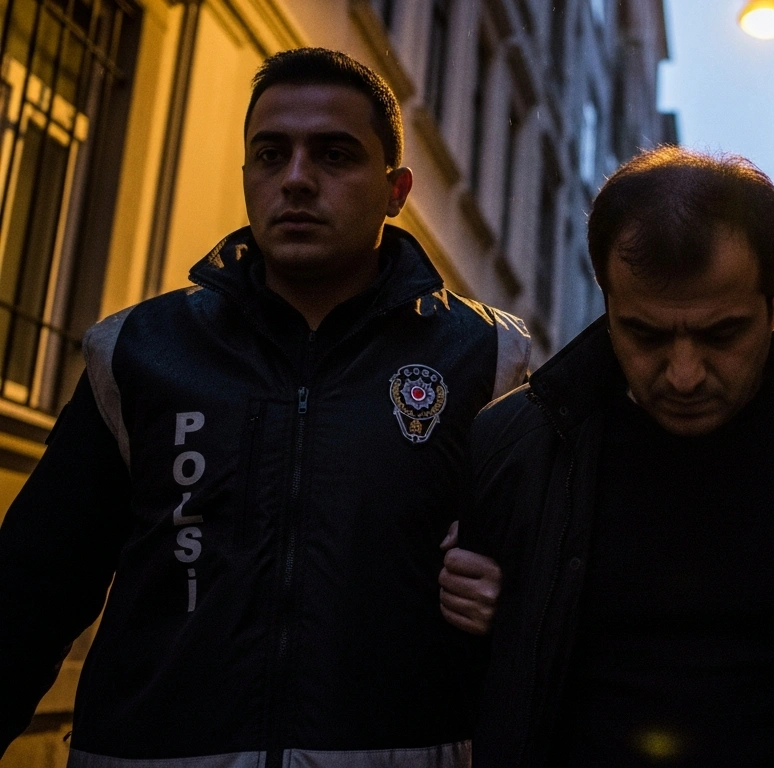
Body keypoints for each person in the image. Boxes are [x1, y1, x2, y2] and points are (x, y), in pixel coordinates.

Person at [0, 48, 530, 766]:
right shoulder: (139, 353)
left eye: (335, 155)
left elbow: (548, 584)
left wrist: (512, 596)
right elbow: (33, 590)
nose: (297, 179)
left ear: (396, 188)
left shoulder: (484, 362)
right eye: (270, 154)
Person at [450, 146, 774, 767]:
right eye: (646, 334)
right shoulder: (514, 447)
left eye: (721, 333)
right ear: (607, 299)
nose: (682, 375)